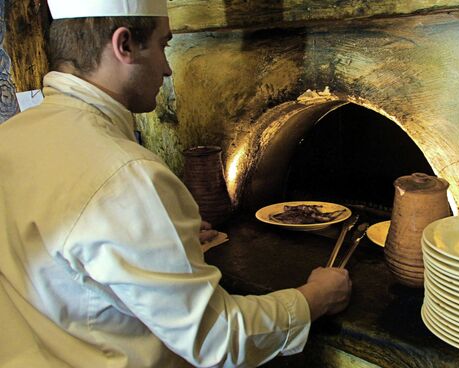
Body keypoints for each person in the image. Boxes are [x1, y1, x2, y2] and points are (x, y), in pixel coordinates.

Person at [0, 1, 351, 367]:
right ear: (125, 46)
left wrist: (159, 241)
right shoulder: (128, 175)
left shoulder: (9, 137)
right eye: (164, 44)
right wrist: (313, 298)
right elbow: (216, 338)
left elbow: (70, 270)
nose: (167, 69)